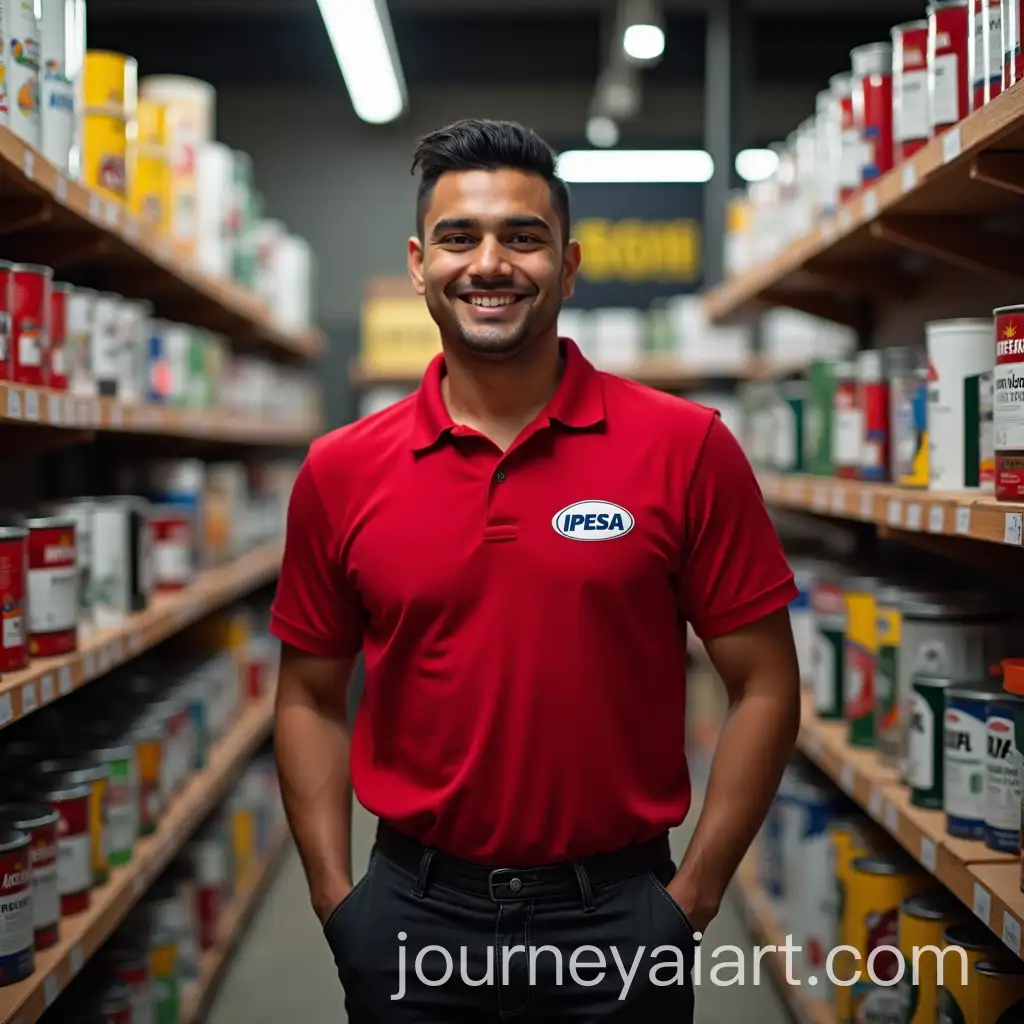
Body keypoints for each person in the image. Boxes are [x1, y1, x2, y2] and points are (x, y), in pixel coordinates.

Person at [271, 118, 801, 1022]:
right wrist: (335, 901)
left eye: (523, 237)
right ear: (418, 265)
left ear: (569, 264)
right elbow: (309, 696)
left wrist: (692, 900)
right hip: (412, 915)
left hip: (619, 918)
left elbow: (765, 684)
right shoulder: (340, 470)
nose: (489, 264)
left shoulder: (686, 448)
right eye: (458, 238)